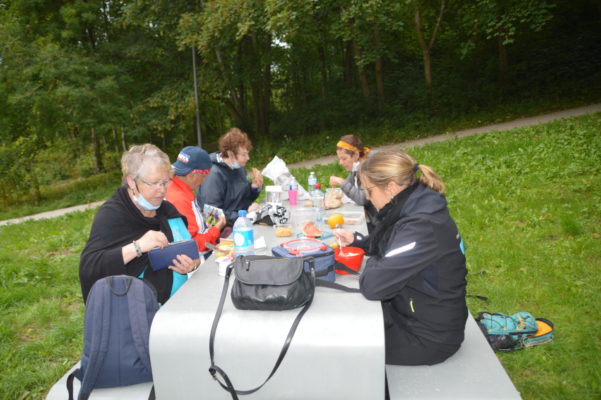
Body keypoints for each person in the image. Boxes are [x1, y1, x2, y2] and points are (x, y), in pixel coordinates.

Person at [334, 149, 468, 366]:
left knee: (338, 345)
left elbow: (373, 285)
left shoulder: (421, 227)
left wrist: (378, 259)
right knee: (342, 320)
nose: (367, 197)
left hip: (427, 337)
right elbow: (393, 242)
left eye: (369, 190)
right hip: (412, 313)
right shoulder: (415, 204)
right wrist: (358, 242)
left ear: (391, 188)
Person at [79, 144, 199, 305]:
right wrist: (138, 247)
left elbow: (194, 255)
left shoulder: (167, 210)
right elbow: (90, 267)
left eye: (165, 182)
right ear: (132, 182)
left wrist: (192, 265)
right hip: (138, 312)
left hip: (181, 303)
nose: (162, 190)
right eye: (154, 183)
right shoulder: (112, 215)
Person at [166, 146, 226, 259]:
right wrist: (216, 229)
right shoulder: (180, 199)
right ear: (192, 175)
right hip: (194, 262)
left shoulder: (175, 186)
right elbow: (194, 246)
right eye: (204, 176)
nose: (204, 180)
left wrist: (206, 223)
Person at [196, 128, 263, 227]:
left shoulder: (238, 167)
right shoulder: (213, 175)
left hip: (241, 223)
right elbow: (211, 216)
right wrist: (244, 214)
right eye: (244, 155)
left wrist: (253, 188)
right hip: (222, 232)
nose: (248, 158)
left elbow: (241, 199)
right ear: (230, 154)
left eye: (247, 154)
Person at [329, 134, 377, 232]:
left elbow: (362, 199)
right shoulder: (357, 165)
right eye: (339, 159)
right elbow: (349, 184)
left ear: (356, 155)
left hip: (377, 222)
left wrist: (341, 182)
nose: (340, 163)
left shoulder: (369, 168)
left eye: (344, 158)